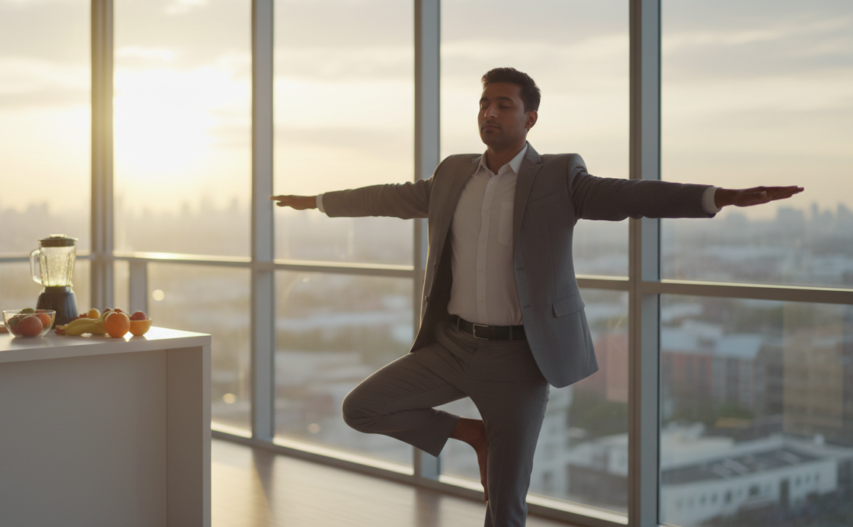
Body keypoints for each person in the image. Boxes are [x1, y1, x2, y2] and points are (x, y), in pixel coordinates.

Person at [271, 67, 802, 527]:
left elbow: (631, 194)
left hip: (519, 360)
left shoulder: (559, 174)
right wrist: (319, 201)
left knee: (504, 508)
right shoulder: (454, 172)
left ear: (530, 118)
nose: (490, 113)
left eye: (504, 104)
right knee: (361, 408)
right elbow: (391, 197)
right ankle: (471, 433)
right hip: (450, 347)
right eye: (483, 103)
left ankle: (489, 443)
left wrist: (719, 196)